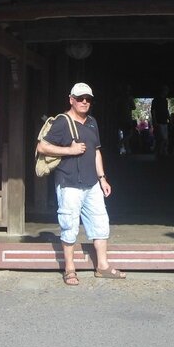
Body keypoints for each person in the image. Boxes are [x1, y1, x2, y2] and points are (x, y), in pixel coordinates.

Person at [36, 82, 126, 285]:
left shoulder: (92, 122)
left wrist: (102, 178)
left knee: (101, 223)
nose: (84, 102)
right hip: (69, 183)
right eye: (80, 98)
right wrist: (69, 150)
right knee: (69, 225)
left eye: (88, 99)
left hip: (92, 184)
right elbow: (42, 146)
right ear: (71, 100)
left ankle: (102, 266)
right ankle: (69, 269)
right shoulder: (62, 121)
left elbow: (96, 151)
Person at [151, 85, 170, 156]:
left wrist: (169, 119)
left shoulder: (165, 101)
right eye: (166, 90)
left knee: (163, 139)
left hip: (164, 122)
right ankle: (159, 153)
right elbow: (153, 111)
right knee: (162, 139)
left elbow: (166, 110)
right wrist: (154, 121)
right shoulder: (155, 100)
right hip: (159, 122)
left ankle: (160, 153)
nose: (167, 92)